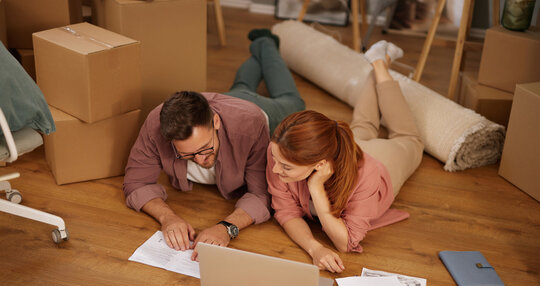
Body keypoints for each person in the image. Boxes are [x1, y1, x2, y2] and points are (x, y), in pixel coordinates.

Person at [123, 29, 304, 259]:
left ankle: (266, 43)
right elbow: (135, 183)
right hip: (229, 101)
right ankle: (258, 47)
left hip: (260, 112)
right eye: (187, 155)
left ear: (215, 122)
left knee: (293, 101)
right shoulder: (155, 124)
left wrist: (226, 228)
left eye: (205, 149)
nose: (200, 160)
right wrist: (168, 217)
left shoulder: (251, 124)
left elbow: (262, 194)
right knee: (241, 87)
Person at [266, 41, 424, 273]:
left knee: (409, 138)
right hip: (343, 148)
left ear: (319, 165)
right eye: (275, 159)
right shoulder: (281, 152)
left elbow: (345, 242)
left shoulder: (366, 175)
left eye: (286, 168)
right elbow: (286, 212)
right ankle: (378, 61)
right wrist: (314, 248)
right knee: (363, 126)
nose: (274, 170)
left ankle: (380, 65)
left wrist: (317, 189)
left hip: (377, 162)